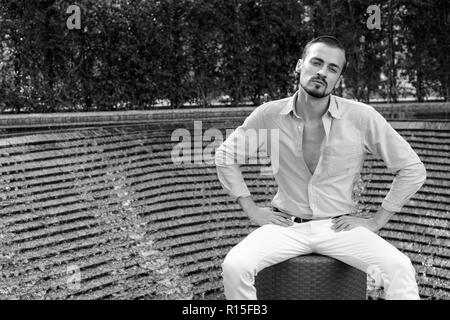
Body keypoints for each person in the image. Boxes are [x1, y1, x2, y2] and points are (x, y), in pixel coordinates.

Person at [214, 35, 427, 300]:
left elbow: (412, 169)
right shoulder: (268, 115)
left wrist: (375, 221)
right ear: (299, 65)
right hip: (287, 226)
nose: (322, 72)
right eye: (316, 62)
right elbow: (225, 156)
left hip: (338, 228)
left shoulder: (361, 117)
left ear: (338, 79)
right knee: (235, 266)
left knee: (400, 268)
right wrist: (252, 210)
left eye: (332, 68)